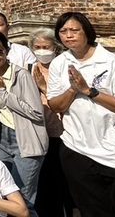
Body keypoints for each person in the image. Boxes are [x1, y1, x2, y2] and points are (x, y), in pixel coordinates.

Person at [47, 12, 115, 216]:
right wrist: (73, 90)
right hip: (77, 148)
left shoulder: (110, 62)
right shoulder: (59, 63)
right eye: (63, 31)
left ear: (87, 32)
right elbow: (55, 105)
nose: (69, 36)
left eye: (74, 30)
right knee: (92, 211)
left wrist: (89, 91)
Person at [0, 32, 47, 214]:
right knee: (4, 195)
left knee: (23, 201)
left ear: (7, 51)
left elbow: (36, 113)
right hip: (2, 138)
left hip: (25, 139)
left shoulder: (22, 74)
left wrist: (3, 92)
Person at [29, 29, 75, 217]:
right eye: (37, 47)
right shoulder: (30, 69)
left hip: (65, 132)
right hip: (41, 133)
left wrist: (44, 88)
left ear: (55, 47)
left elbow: (66, 99)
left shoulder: (64, 68)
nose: (42, 51)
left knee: (67, 183)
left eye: (46, 47)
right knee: (45, 183)